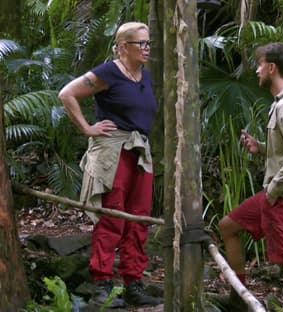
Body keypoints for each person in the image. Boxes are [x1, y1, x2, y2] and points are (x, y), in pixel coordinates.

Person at [58, 22, 162, 309]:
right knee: (112, 217)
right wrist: (87, 128)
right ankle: (102, 285)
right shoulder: (108, 72)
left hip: (140, 151)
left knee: (139, 218)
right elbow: (67, 93)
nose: (147, 48)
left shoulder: (145, 76)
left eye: (148, 43)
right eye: (141, 43)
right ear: (124, 46)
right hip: (113, 151)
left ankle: (133, 284)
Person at [218, 42, 283, 311]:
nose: (257, 70)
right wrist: (260, 148)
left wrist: (274, 190)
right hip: (275, 194)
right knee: (228, 226)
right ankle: (239, 295)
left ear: (272, 68)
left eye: (260, 64)